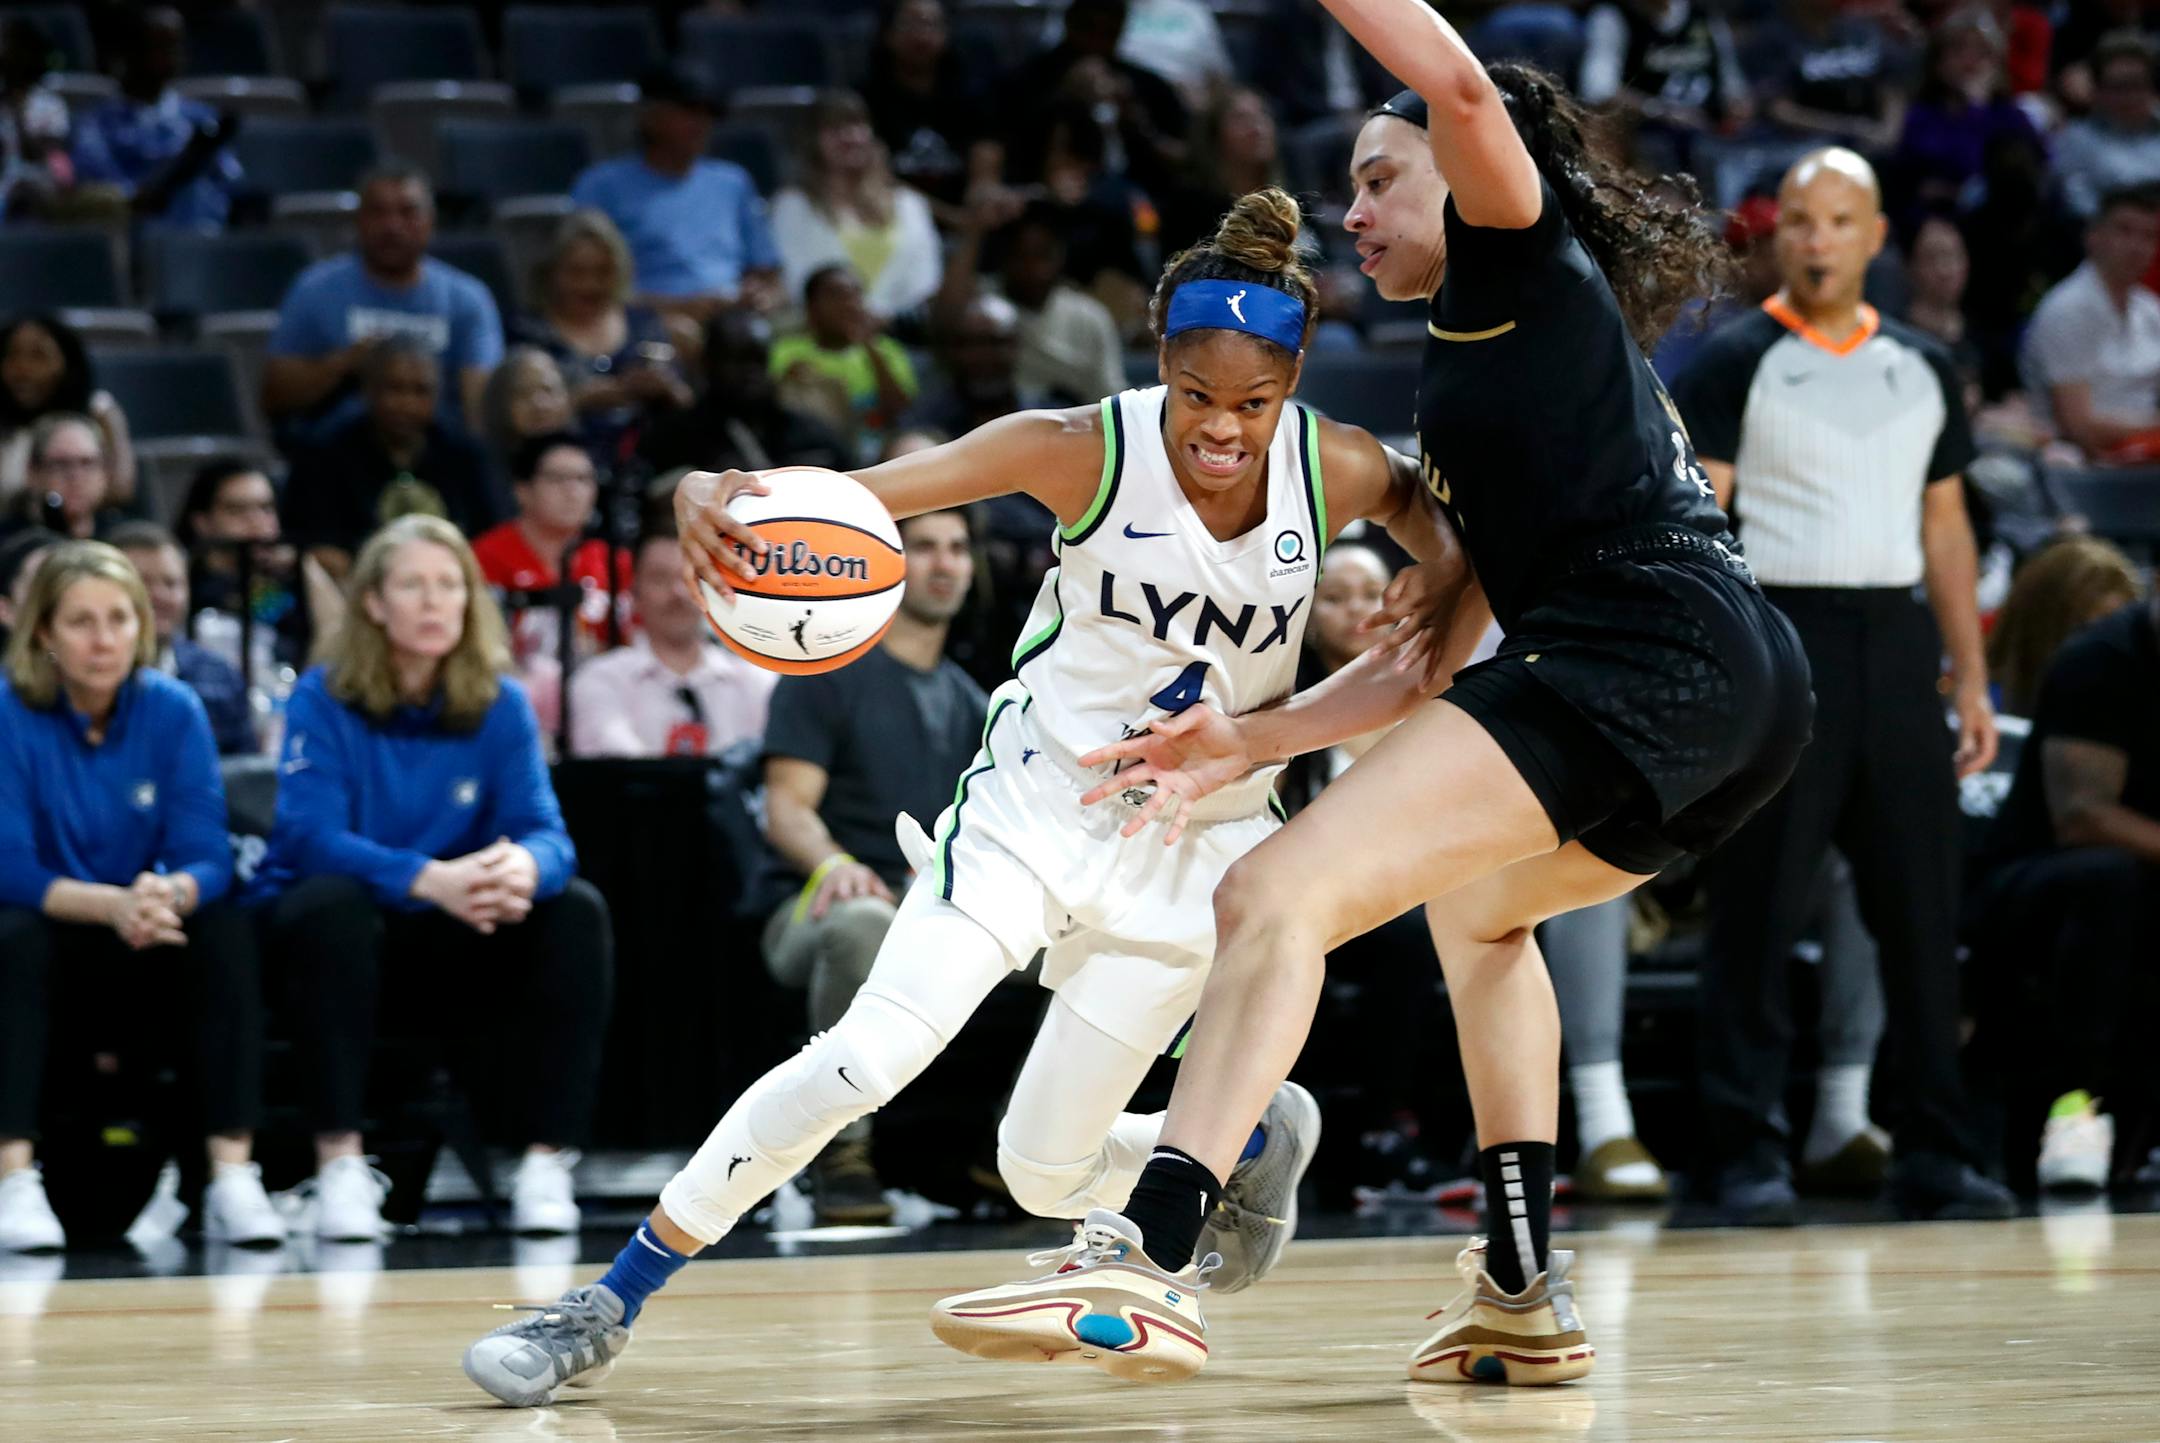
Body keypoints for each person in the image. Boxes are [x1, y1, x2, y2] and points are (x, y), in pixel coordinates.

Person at [936, 4, 1819, 1385]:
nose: (1350, 211)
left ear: (1471, 177)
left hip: (1645, 652)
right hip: (1742, 688)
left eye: (1376, 176)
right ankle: (1524, 1284)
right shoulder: (1481, 371)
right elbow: (1418, 662)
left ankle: (1148, 1256)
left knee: (1271, 894)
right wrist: (1249, 736)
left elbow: (1457, 82)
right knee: (1482, 913)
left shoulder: (1519, 264)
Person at [462, 187, 1452, 1406]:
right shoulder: (1077, 446)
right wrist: (711, 489)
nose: (1223, 432)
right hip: (1034, 814)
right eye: (1197, 398)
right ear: (1159, 370)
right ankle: (607, 1299)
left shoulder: (1336, 469)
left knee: (1041, 1171)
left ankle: (1249, 1137)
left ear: (1292, 385)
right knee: (861, 1062)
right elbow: (848, 497)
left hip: (1198, 846)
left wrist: (1440, 577)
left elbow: (1436, 519)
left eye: (1253, 404)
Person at [1671, 147, 2012, 1225]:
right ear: (1780, 236)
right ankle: (1742, 1156)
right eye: (1802, 221)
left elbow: (1946, 522)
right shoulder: (1736, 359)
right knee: (1757, 915)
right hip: (1782, 638)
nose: (1819, 239)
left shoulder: (1922, 364)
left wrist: (1971, 678)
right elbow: (1698, 524)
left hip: (1900, 644)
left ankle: (1937, 1153)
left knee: (1923, 916)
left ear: (1875, 237)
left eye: (1840, 220)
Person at [256, 515, 613, 1242]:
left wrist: (522, 865)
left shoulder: (501, 701)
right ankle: (340, 1166)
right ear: (375, 604)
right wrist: (426, 878)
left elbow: (550, 836)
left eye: (449, 585)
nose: (433, 601)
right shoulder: (325, 696)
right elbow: (308, 837)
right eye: (413, 585)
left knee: (575, 909)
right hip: (360, 926)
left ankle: (547, 1162)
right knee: (330, 906)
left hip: (460, 929)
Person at [0, 542, 283, 1252]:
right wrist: (113, 904)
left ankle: (230, 1175)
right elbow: (9, 865)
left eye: (120, 619)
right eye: (81, 622)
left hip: (146, 926)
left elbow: (208, 853)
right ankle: (13, 1177)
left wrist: (172, 891)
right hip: (54, 926)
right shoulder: (8, 710)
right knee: (11, 935)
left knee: (223, 927)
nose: (104, 639)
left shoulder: (174, 708)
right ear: (43, 633)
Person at [747, 505, 985, 1223]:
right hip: (811, 903)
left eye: (957, 548)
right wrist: (836, 863)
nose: (944, 562)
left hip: (933, 908)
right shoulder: (824, 674)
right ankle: (838, 1156)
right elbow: (787, 809)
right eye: (925, 547)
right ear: (887, 561)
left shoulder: (976, 699)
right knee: (864, 922)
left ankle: (1021, 1149)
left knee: (1085, 946)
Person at [1974, 583, 2159, 1191]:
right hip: (2033, 880)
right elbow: (2082, 817)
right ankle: (2075, 1109)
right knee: (2111, 880)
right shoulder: (2102, 660)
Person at [263, 165, 505, 437]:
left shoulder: (468, 298)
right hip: (338, 453)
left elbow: (483, 407)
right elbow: (275, 396)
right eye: (378, 212)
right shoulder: (314, 288)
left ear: (431, 221)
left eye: (407, 212)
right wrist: (343, 364)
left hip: (438, 454)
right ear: (358, 221)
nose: (392, 226)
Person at [569, 62, 781, 321]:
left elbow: (767, 273)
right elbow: (579, 282)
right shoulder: (600, 186)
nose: (701, 124)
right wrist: (681, 308)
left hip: (732, 322)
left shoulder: (733, 182)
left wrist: (759, 295)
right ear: (650, 116)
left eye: (708, 113)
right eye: (688, 111)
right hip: (644, 323)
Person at [281, 337, 503, 576]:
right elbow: (312, 544)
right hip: (356, 590)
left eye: (420, 391)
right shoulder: (323, 453)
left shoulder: (464, 453)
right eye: (395, 389)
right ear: (368, 390)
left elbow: (492, 534)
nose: (407, 404)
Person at [565, 528, 774, 759]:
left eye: (689, 578)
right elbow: (619, 769)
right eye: (659, 578)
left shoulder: (756, 683)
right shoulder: (601, 680)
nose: (678, 592)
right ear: (634, 594)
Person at [515, 210, 690, 465]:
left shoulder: (645, 325)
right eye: (576, 272)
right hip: (559, 470)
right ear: (551, 272)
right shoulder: (528, 332)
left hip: (650, 465)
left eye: (603, 271)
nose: (590, 285)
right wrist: (588, 397)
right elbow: (513, 418)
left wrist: (667, 389)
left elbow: (687, 406)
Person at [469, 432, 630, 693]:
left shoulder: (615, 561)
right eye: (557, 479)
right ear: (523, 491)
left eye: (583, 479)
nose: (573, 491)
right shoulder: (483, 558)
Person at [769, 91, 943, 327]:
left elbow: (927, 282)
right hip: (822, 340)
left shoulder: (911, 204)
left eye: (857, 125)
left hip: (903, 336)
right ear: (813, 141)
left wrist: (884, 317)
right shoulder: (792, 206)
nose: (849, 137)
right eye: (834, 128)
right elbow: (794, 280)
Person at [2019, 185, 2160, 461]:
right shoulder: (2065, 310)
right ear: (2093, 236)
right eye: (2124, 230)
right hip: (2081, 465)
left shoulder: (2150, 309)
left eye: (2149, 236)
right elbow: (2078, 426)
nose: (2137, 246)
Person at [70, 6, 241, 230]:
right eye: (157, 46)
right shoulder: (96, 125)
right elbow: (109, 196)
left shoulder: (203, 120)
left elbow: (231, 184)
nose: (170, 57)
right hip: (134, 239)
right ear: (129, 52)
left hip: (203, 239)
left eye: (174, 46)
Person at [636, 309, 850, 477]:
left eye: (759, 360)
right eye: (738, 361)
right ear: (709, 364)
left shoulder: (812, 435)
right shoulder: (674, 438)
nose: (751, 373)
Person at [109, 521, 255, 755]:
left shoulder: (220, 676)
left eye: (171, 583)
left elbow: (247, 780)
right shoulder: (89, 679)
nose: (159, 596)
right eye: (143, 582)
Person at [859, 0, 1010, 226]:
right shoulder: (865, 100)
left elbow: (986, 165)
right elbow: (875, 177)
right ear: (887, 34)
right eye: (910, 24)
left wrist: (982, 200)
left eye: (931, 24)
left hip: (970, 224)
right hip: (892, 222)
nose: (921, 35)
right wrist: (954, 218)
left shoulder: (973, 96)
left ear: (947, 34)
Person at [770, 265, 919, 462]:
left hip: (879, 450)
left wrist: (870, 348)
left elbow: (900, 412)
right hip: (816, 452)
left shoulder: (885, 349)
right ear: (811, 307)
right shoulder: (787, 351)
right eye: (836, 296)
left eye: (855, 294)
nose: (849, 304)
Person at [1986, 534, 2142, 716]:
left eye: (2119, 634)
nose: (2107, 653)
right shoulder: (1982, 712)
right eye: (2087, 633)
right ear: (2040, 632)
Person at [0, 313, 135, 506]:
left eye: (38, 356)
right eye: (11, 355)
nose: (22, 369)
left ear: (68, 363)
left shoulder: (98, 410)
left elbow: (121, 489)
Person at [2052, 32, 2160, 220]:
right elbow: (2079, 207)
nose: (2129, 97)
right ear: (2098, 92)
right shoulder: (2076, 139)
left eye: (2136, 84)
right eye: (2117, 87)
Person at [5, 414, 128, 543]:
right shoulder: (9, 543)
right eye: (61, 464)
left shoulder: (125, 537)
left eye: (87, 462)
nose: (76, 476)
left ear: (105, 471)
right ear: (33, 472)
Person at [477, 346, 577, 473]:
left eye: (548, 389)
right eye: (523, 393)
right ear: (500, 403)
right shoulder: (481, 470)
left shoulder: (587, 457)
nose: (540, 404)